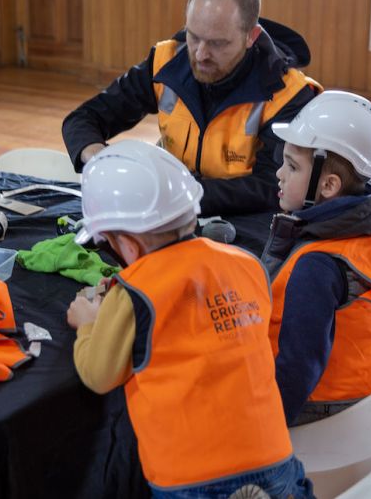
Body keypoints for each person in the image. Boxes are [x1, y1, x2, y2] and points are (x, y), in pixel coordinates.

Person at [66, 140, 312, 499]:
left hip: (191, 478)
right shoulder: (247, 264)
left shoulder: (133, 290)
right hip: (276, 459)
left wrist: (90, 322)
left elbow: (99, 375)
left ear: (128, 245)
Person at [62, 0, 319, 215]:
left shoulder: (289, 94)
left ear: (251, 36)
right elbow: (82, 119)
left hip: (243, 222)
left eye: (217, 44)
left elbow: (271, 188)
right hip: (170, 211)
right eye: (194, 36)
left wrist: (177, 193)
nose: (200, 54)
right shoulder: (166, 60)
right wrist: (99, 160)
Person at [262, 91, 371, 426]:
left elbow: (299, 367)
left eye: (292, 166)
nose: (279, 174)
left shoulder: (318, 264)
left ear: (329, 185)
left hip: (329, 406)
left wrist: (263, 432)